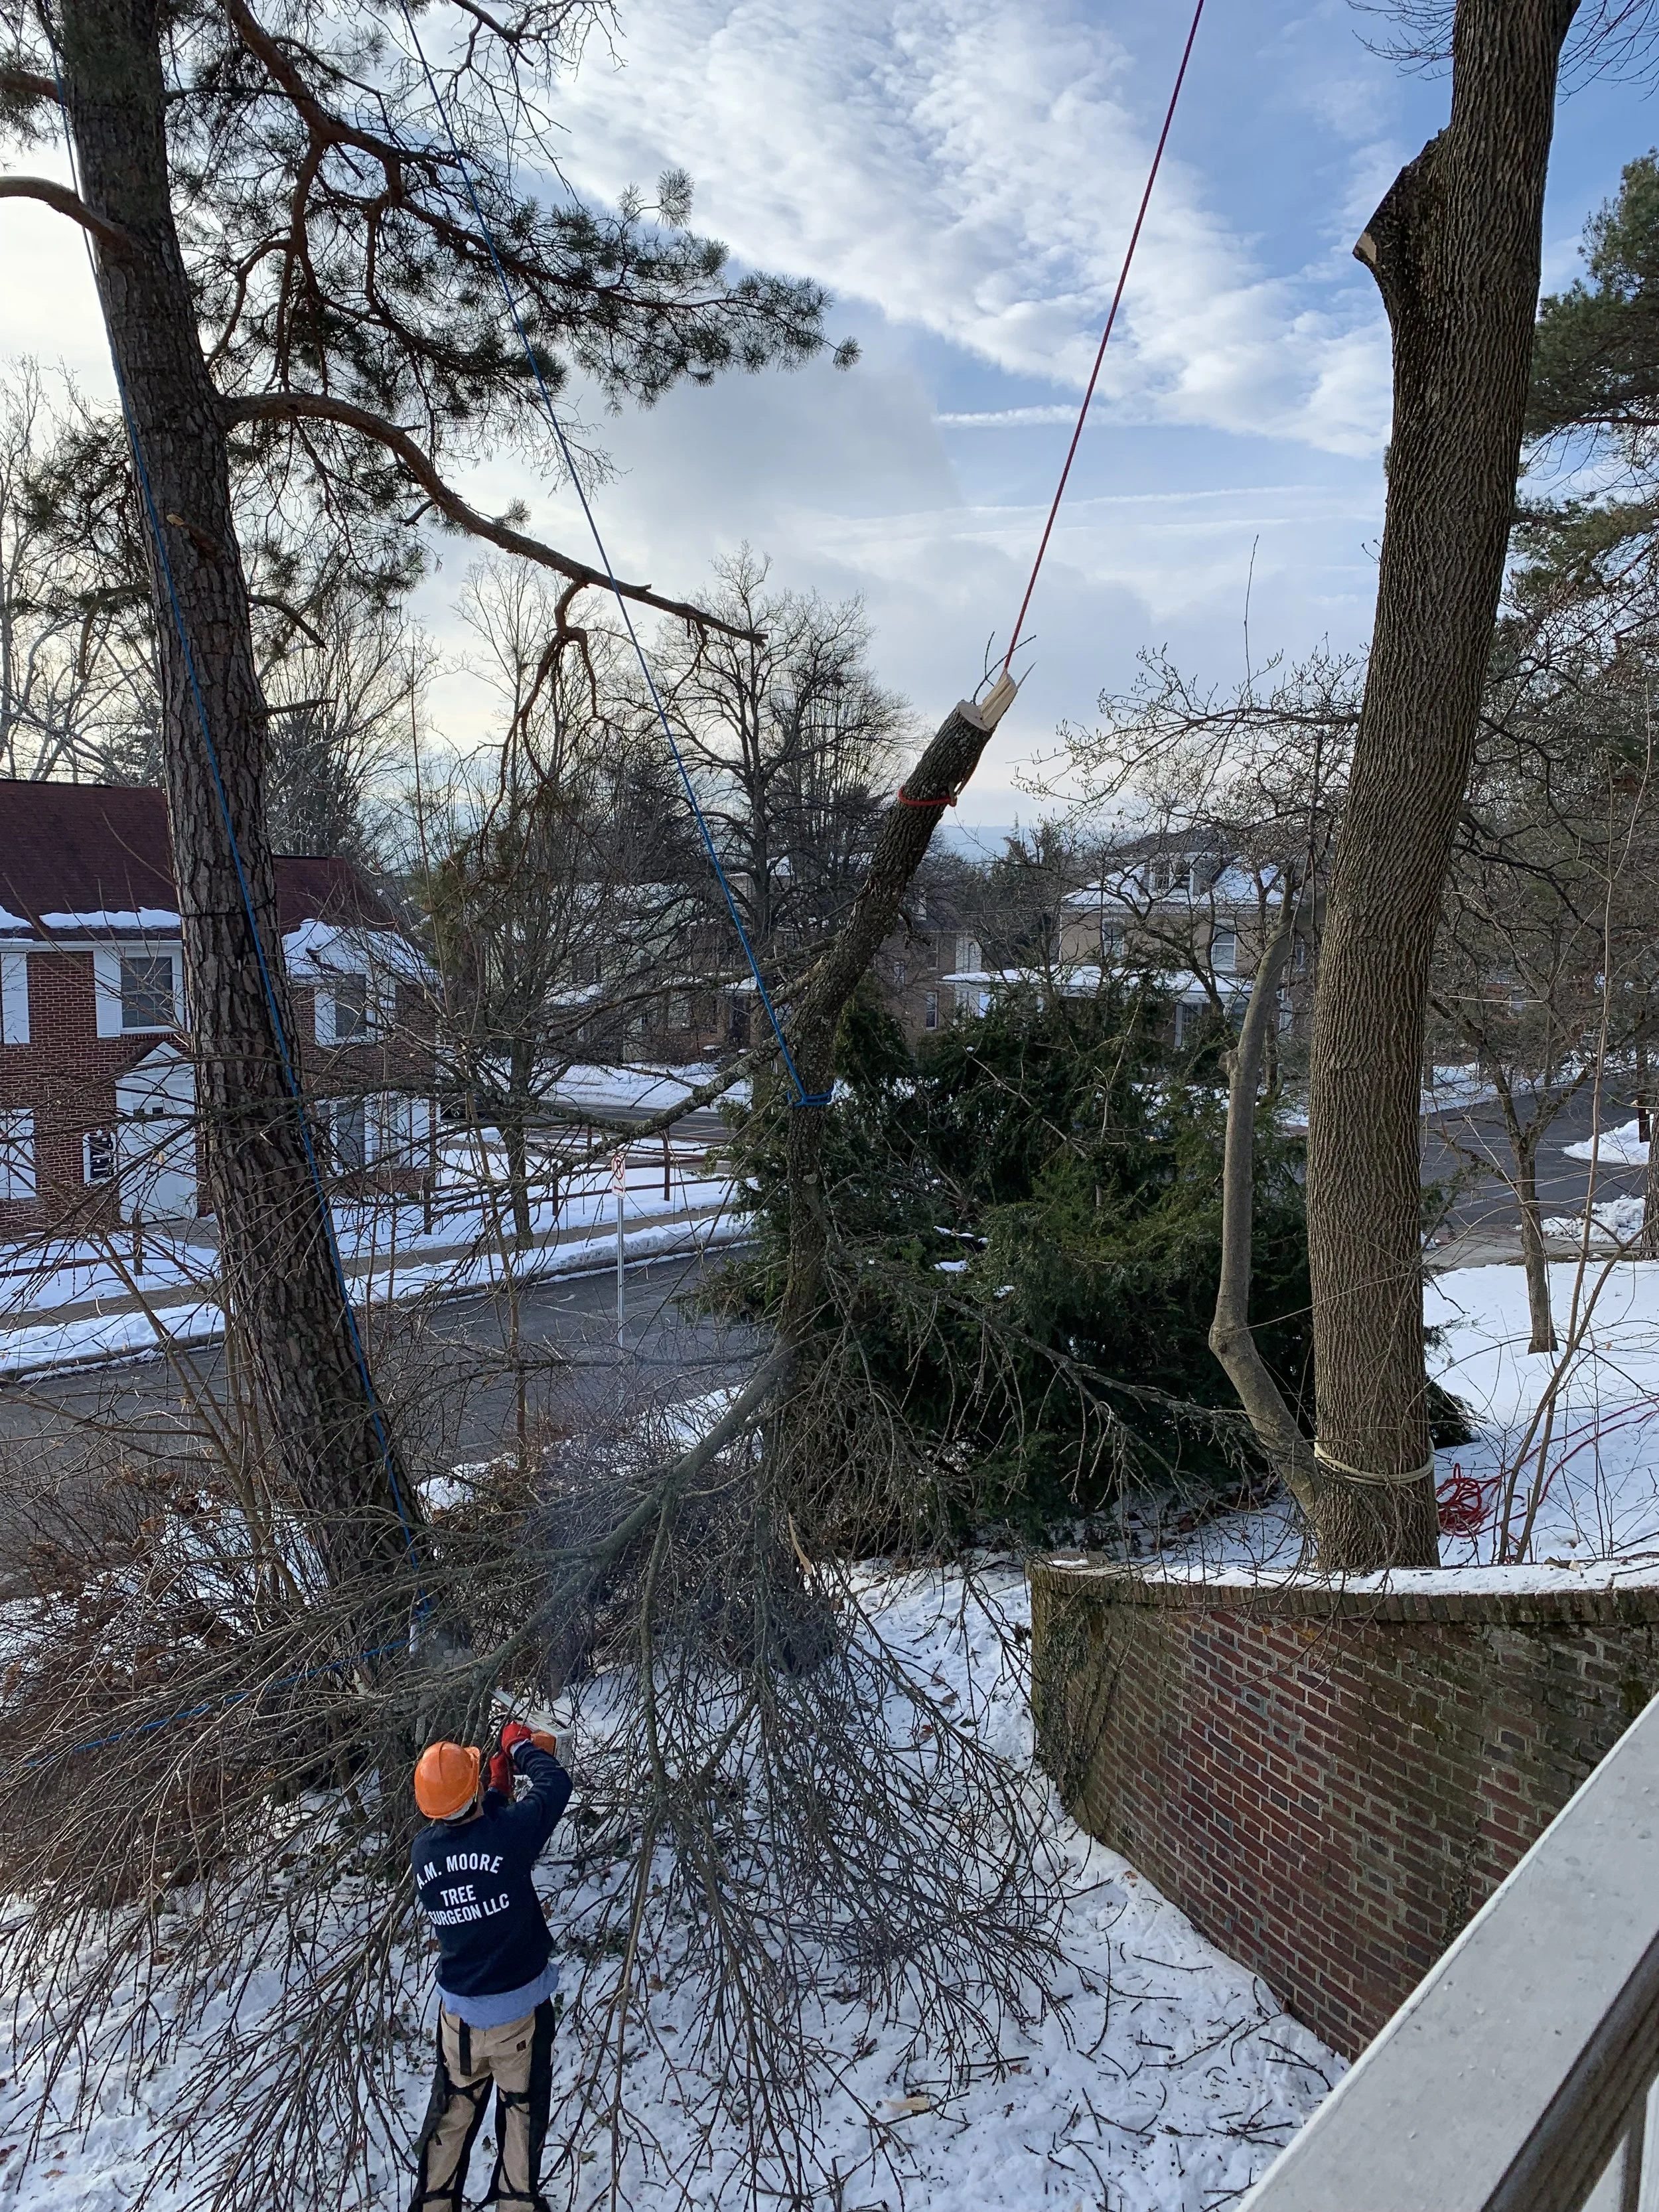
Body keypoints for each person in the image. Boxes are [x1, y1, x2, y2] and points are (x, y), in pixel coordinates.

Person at [408, 1719, 573, 2212]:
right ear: (472, 1787)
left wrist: (497, 1785)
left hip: (457, 2017)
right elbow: (555, 1785)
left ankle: (434, 2202)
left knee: (454, 2110)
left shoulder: (423, 1852)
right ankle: (516, 2202)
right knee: (522, 2110)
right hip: (518, 2015)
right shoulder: (510, 1839)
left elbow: (480, 1835)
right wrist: (519, 1748)